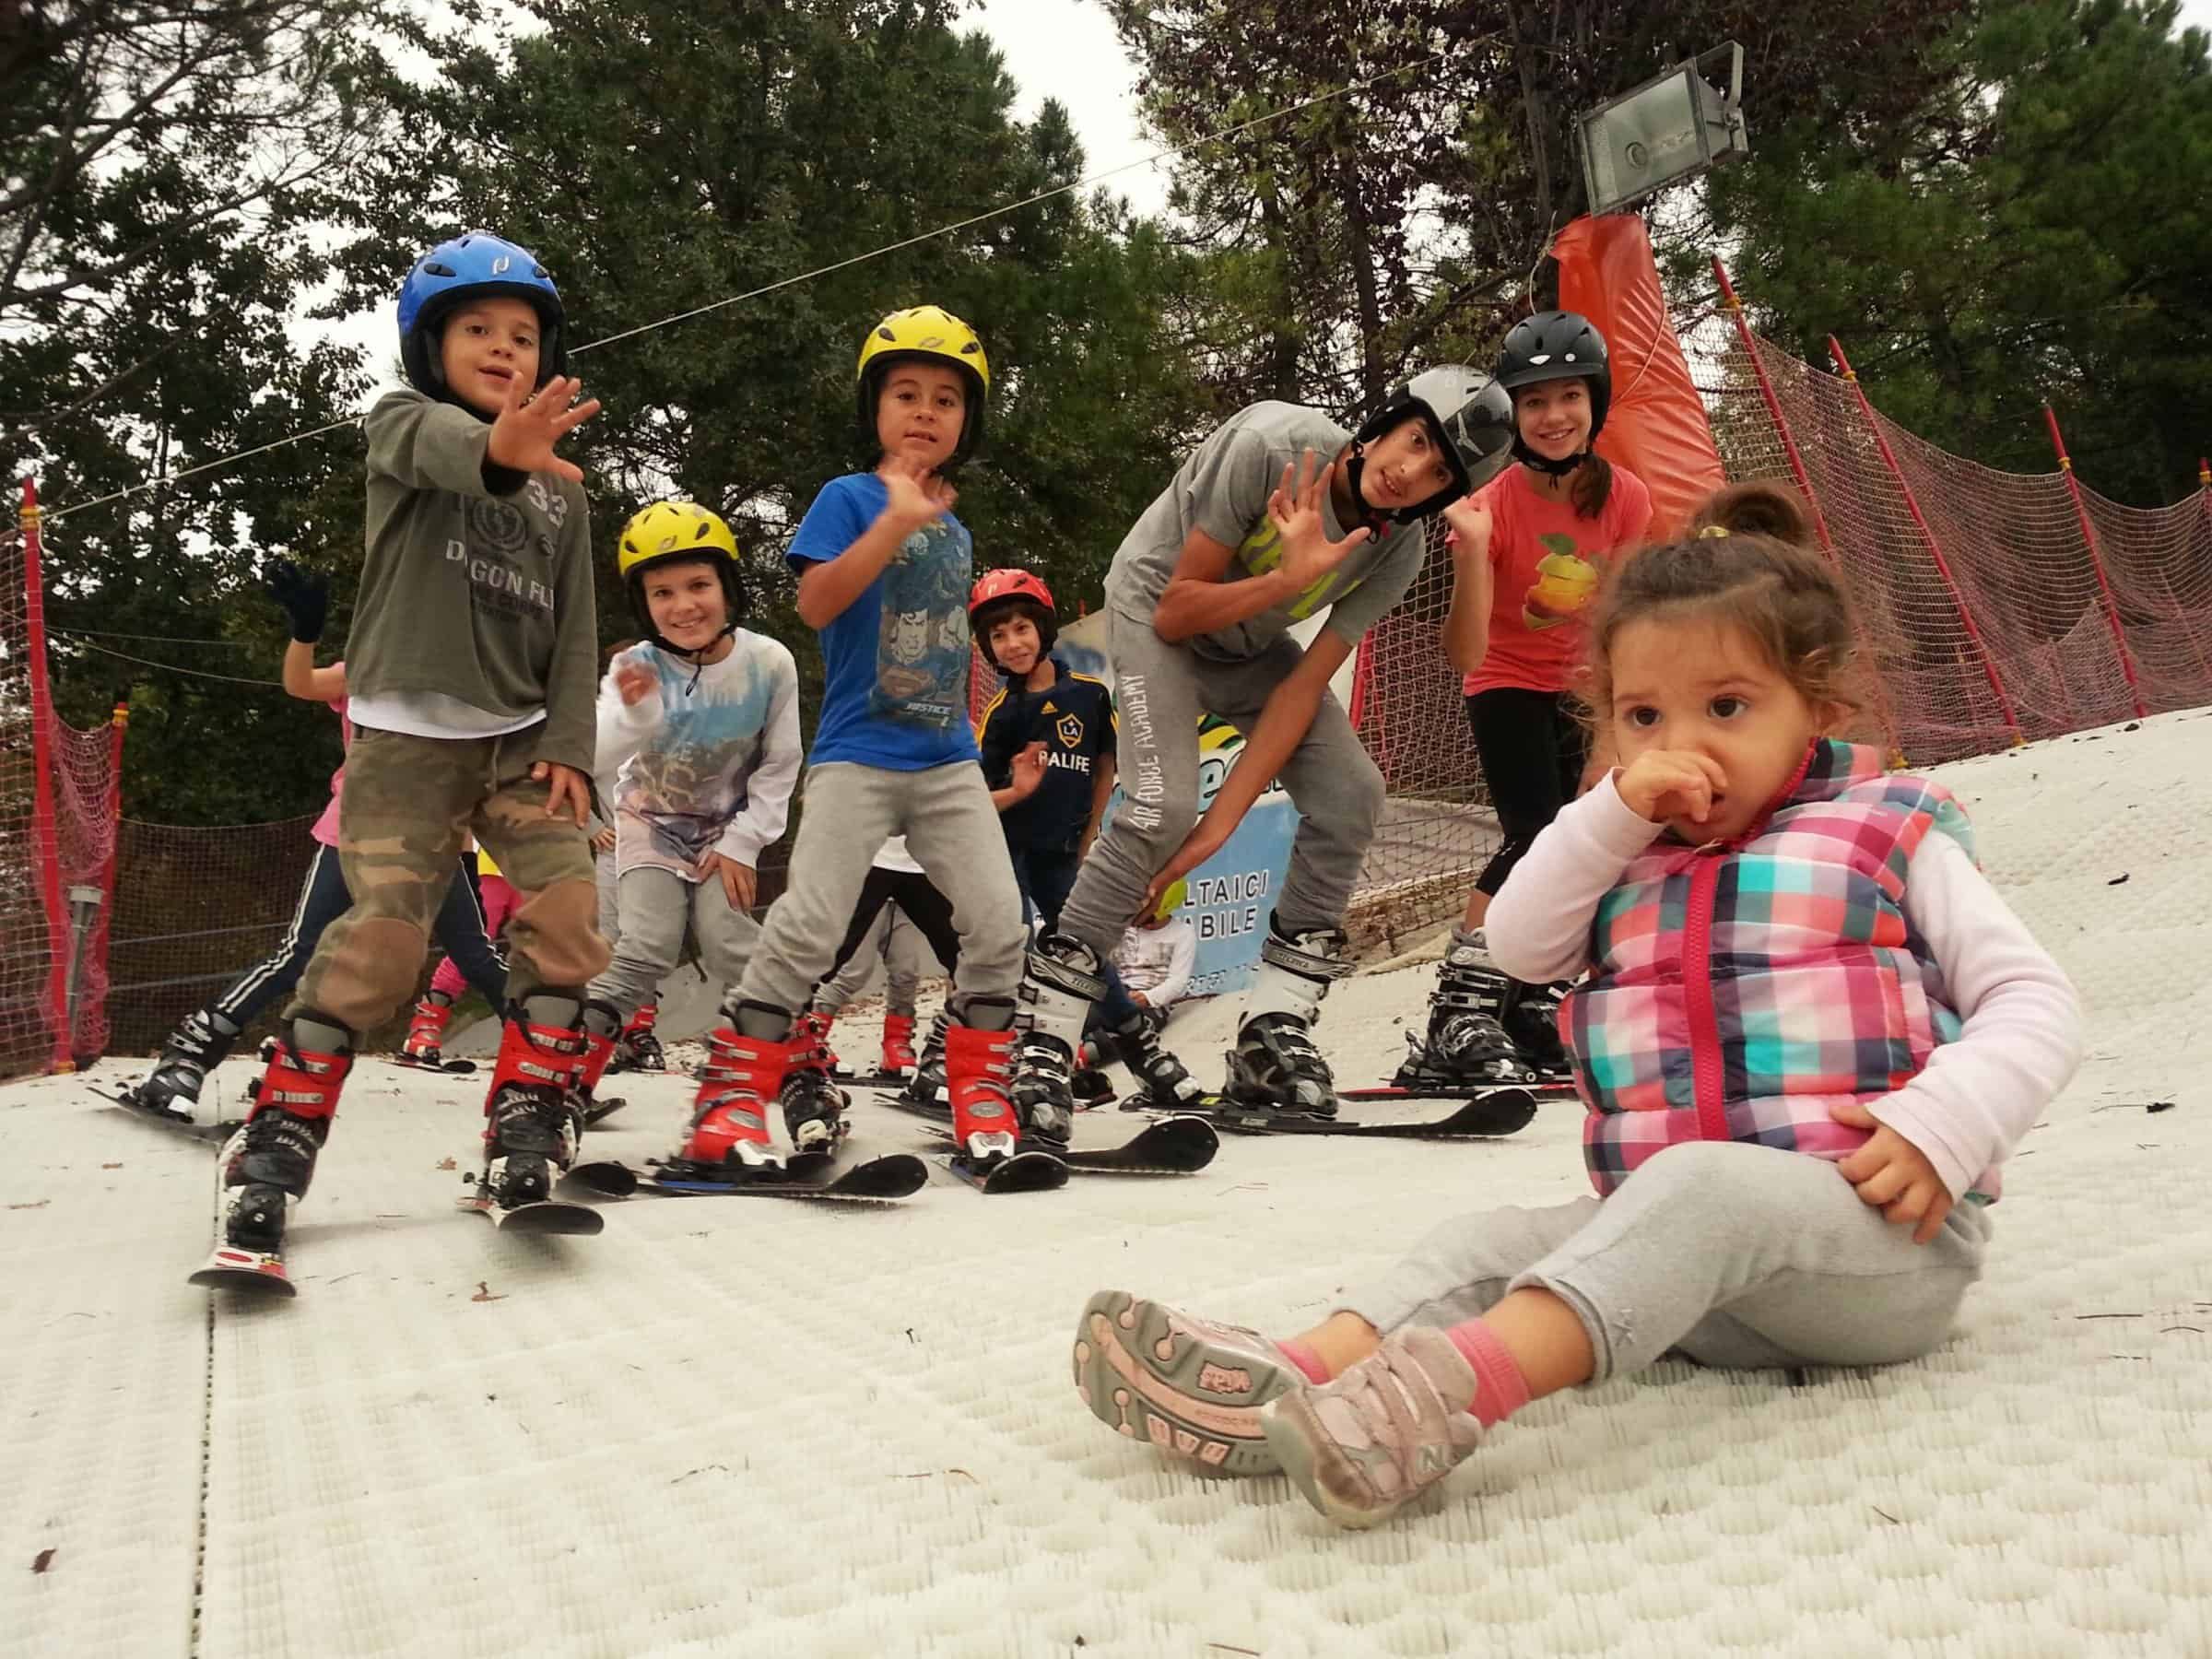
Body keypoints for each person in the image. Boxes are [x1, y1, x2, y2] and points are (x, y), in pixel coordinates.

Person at [1065, 489, 2083, 1528]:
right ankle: (1289, 1379)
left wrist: (1943, 1126)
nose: (1678, 745)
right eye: (1644, 716)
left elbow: (2032, 999)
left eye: (1725, 707)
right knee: (1482, 1242)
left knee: (1703, 1190)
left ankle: (1442, 1394)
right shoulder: (1622, 855)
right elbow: (1517, 945)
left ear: (1816, 707)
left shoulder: (1883, 831)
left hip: (1873, 1251)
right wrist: (1608, 811)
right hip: (1684, 1282)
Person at [221, 229, 610, 1260]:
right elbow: (449, 453)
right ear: (429, 347)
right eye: (476, 329)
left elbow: (576, 629)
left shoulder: (564, 492)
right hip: (404, 744)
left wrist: (572, 742)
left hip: (521, 744)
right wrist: (498, 452)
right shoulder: (404, 424)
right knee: (383, 941)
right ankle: (279, 1139)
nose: (501, 347)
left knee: (569, 908)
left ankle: (528, 1119)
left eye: (522, 335)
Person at [1006, 368, 1516, 1124]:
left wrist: (1215, 833)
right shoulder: (1269, 447)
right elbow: (1177, 612)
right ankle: (1041, 1037)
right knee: (1158, 802)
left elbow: (1302, 688)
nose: (1411, 471)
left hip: (1249, 649)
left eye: (1439, 471)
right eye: (1415, 441)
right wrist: (1287, 581)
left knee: (1352, 796)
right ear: (1383, 424)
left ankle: (1271, 1033)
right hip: (1157, 615)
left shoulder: (1396, 550)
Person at [667, 304, 1035, 1171]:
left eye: (947, 400)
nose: (924, 411)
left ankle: (977, 1085)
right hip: (857, 755)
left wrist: (921, 523)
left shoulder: (956, 527)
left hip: (945, 760)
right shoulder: (850, 498)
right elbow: (817, 603)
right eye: (905, 393)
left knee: (999, 922)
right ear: (874, 407)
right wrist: (891, 524)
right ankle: (729, 1099)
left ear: (965, 422)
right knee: (807, 926)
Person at [124, 560, 507, 1119]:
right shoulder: (369, 671)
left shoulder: (469, 686)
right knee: (297, 953)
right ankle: (185, 1060)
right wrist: (304, 633)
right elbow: (300, 684)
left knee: (477, 955)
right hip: (354, 832)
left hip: (433, 843)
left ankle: (546, 1071)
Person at [1401, 312, 1653, 1090]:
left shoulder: (1628, 501)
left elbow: (1624, 629)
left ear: (1594, 403)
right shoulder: (1492, 502)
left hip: (1583, 691)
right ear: (1513, 413)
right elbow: (1467, 653)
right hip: (1505, 679)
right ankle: (1462, 1002)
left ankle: (1532, 998)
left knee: (1594, 837)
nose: (1553, 417)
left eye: (1568, 397)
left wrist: (1615, 730)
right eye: (1533, 401)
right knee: (1534, 830)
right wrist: (1474, 550)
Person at [565, 500, 803, 1114]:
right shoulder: (636, 665)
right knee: (645, 945)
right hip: (649, 824)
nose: (684, 605)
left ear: (728, 588)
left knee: (731, 943)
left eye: (699, 585)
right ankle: (563, 1082)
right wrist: (635, 711)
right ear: (644, 606)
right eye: (662, 593)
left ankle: (798, 1065)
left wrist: (744, 841)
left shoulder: (769, 663)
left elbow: (780, 763)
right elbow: (593, 756)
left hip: (726, 828)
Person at [971, 571, 1116, 930]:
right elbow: (976, 800)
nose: (1013, 644)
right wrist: (1019, 789)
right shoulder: (1000, 714)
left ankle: (1115, 991)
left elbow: (1105, 766)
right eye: (998, 636)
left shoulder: (1091, 695)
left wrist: (1086, 839)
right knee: (1013, 947)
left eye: (1022, 628)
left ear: (1043, 629)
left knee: (1083, 945)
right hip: (1007, 854)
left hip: (1062, 852)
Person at [807, 837, 941, 1077]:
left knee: (906, 971)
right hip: (869, 881)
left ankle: (896, 1045)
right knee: (852, 972)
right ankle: (812, 1037)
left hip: (908, 887)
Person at [1072, 878, 1199, 1106]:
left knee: (1128, 1032)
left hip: (1150, 1002)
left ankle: (1080, 1057)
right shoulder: (1123, 927)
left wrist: (1149, 997)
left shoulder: (1183, 933)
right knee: (1086, 1015)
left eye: (1150, 918)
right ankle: (1061, 1050)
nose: (1144, 923)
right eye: (1140, 917)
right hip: (1113, 991)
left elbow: (1178, 981)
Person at [401, 842, 517, 1065]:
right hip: (493, 863)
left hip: (544, 866)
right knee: (474, 944)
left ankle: (539, 1034)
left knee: (545, 948)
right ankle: (426, 1026)